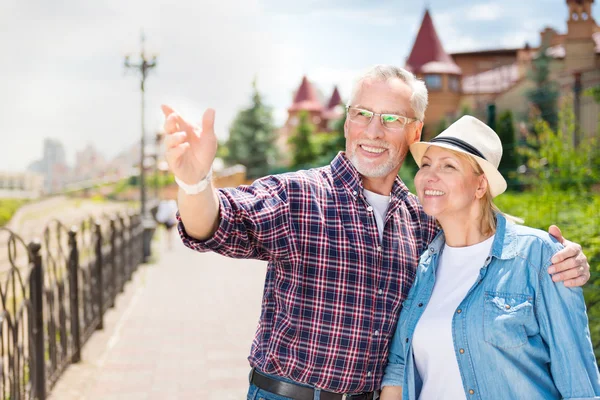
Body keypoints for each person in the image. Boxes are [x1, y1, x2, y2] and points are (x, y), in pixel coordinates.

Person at [161, 65, 591, 399]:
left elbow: (481, 230)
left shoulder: (424, 220)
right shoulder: (299, 196)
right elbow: (215, 224)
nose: (372, 130)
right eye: (362, 114)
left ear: (414, 131)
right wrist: (195, 184)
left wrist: (558, 253)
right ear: (347, 122)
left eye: (390, 118)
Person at [380, 116, 600, 400]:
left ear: (480, 186)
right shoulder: (423, 266)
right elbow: (399, 370)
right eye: (426, 165)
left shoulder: (537, 256)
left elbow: (579, 382)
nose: (429, 176)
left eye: (448, 166)